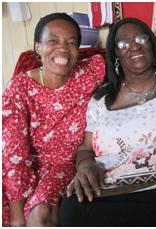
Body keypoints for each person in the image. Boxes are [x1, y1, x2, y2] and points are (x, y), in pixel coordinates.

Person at [59, 18, 156, 226]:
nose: (134, 46)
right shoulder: (100, 100)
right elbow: (86, 148)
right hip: (111, 184)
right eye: (123, 43)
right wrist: (84, 165)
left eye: (141, 38)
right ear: (115, 54)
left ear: (151, 43)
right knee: (73, 207)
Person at [2, 13, 105, 226]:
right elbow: (14, 154)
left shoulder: (91, 70)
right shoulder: (19, 87)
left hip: (66, 164)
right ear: (38, 47)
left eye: (71, 42)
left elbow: (137, 61)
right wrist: (17, 215)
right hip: (22, 167)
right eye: (53, 41)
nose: (63, 49)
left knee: (40, 214)